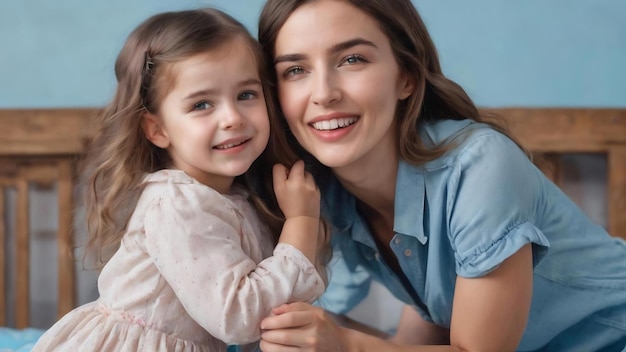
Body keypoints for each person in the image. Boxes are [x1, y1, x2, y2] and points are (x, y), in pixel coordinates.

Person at [256, 0, 626, 351]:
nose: (323, 94)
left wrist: (345, 344)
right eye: (295, 70)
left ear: (407, 78)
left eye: (352, 59)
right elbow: (433, 320)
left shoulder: (479, 165)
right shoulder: (323, 196)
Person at [32, 8, 328, 352]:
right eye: (202, 104)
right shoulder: (179, 205)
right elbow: (240, 316)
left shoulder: (235, 199)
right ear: (157, 130)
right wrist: (302, 222)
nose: (232, 117)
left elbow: (278, 306)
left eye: (246, 95)